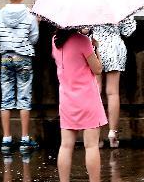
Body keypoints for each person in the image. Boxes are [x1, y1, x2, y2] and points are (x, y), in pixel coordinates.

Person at [0, 0, 39, 152]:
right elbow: (34, 38)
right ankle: (25, 139)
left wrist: (7, 41)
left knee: (6, 98)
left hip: (6, 58)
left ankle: (6, 139)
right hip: (24, 58)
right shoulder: (29, 15)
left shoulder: (1, 14)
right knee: (24, 98)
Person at [52, 27, 106, 182]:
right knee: (91, 146)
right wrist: (96, 48)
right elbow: (97, 69)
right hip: (87, 98)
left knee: (66, 146)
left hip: (67, 99)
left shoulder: (55, 40)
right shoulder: (83, 41)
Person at [92, 15, 137, 148]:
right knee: (112, 92)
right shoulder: (119, 1)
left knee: (96, 91)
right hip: (114, 47)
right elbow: (128, 30)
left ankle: (96, 135)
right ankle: (113, 133)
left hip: (94, 46)